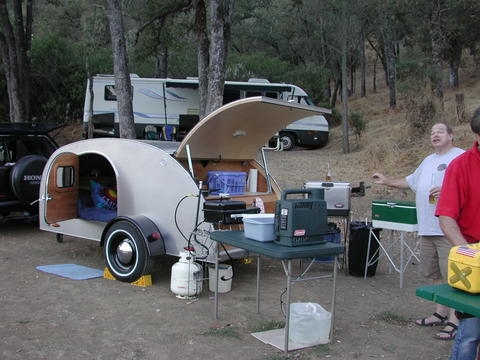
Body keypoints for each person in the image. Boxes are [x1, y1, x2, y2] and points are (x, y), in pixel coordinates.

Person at [372, 122, 464, 340]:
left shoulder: (460, 157)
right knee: (434, 274)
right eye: (432, 132)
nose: (435, 135)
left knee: (453, 276)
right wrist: (387, 181)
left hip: (448, 230)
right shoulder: (428, 160)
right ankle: (440, 314)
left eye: (440, 131)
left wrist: (448, 190)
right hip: (427, 228)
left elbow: (469, 186)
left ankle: (455, 321)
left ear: (451, 135)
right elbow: (410, 182)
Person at [436, 108, 480, 360]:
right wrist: (466, 251)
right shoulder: (460, 167)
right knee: (470, 334)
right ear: (476, 135)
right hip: (473, 262)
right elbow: (447, 217)